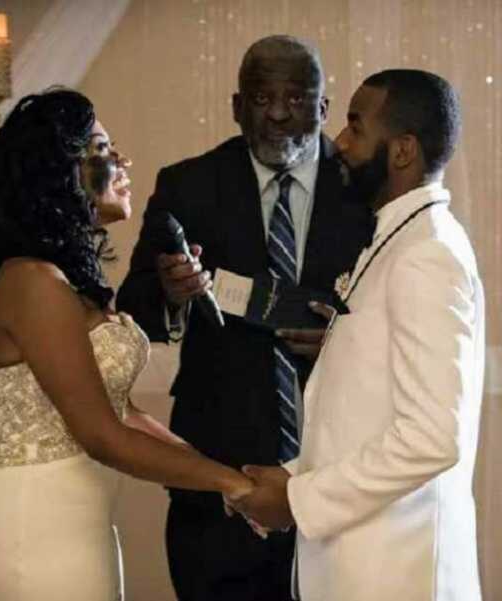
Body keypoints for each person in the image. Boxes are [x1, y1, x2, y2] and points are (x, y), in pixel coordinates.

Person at [0, 89, 253, 601]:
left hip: (74, 513)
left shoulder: (63, 281)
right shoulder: (32, 282)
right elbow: (102, 434)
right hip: (30, 518)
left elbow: (122, 411)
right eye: (101, 150)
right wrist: (235, 485)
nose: (122, 161)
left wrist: (220, 475)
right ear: (59, 172)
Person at [117, 36, 373, 600]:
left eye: (298, 99)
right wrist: (171, 294)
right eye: (262, 98)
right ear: (237, 107)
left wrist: (346, 338)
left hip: (341, 471)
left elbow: (399, 317)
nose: (279, 113)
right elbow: (132, 311)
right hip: (217, 475)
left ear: (324, 109)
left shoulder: (368, 190)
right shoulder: (188, 186)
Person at [232, 69, 485, 601]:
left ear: (402, 150)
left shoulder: (427, 253)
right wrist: (288, 481)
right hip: (359, 564)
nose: (339, 143)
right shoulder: (396, 238)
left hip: (396, 572)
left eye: (354, 126)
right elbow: (368, 414)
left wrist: (301, 500)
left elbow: (433, 436)